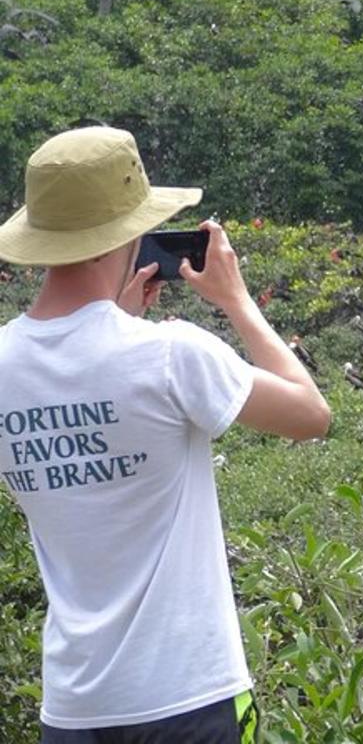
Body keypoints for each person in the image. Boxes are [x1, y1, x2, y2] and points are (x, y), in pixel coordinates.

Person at [0, 127, 331, 741]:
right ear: (129, 233)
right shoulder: (171, 354)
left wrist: (115, 322)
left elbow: (79, 396)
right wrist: (236, 300)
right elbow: (311, 415)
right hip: (189, 696)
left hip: (73, 709)